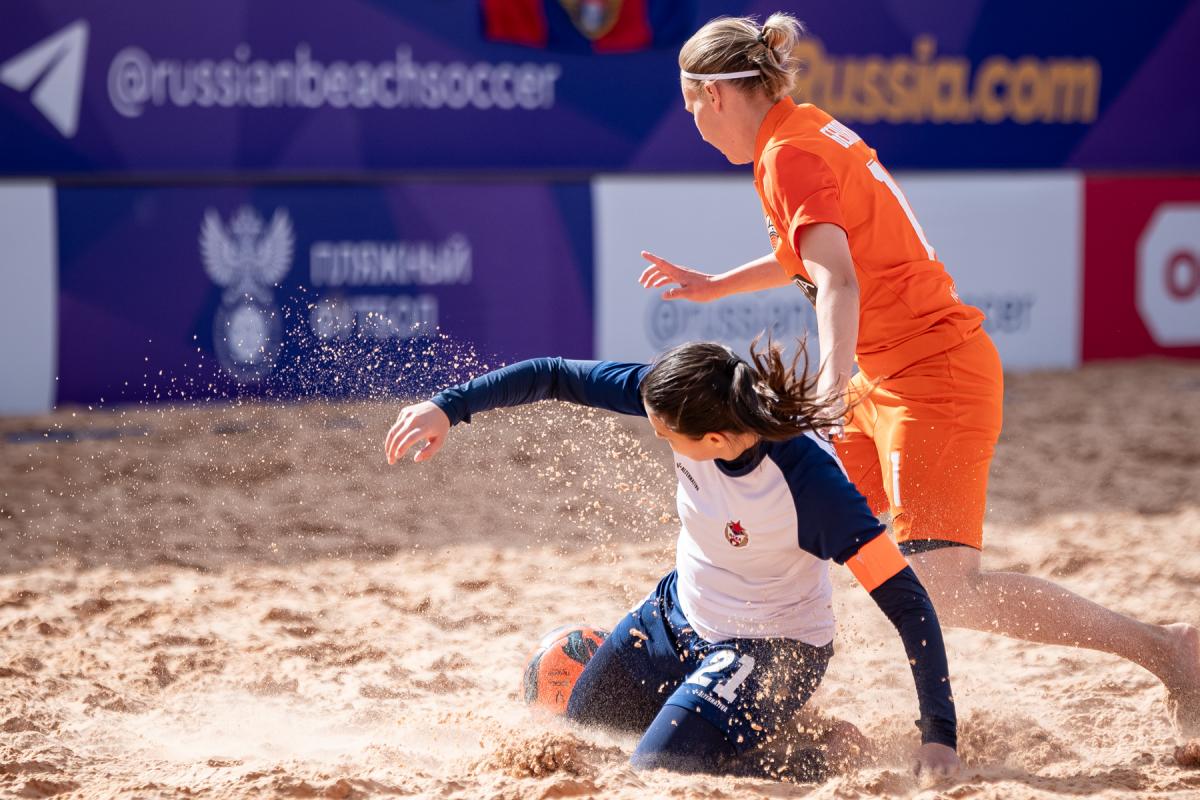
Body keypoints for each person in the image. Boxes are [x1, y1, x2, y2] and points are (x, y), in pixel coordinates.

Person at [637, 12, 1200, 736]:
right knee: (804, 520)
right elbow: (815, 252)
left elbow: (837, 281)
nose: (696, 126)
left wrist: (829, 385)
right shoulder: (796, 132)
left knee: (944, 587)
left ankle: (1168, 652)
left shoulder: (788, 153)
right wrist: (717, 285)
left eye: (692, 108)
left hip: (933, 375)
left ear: (715, 95)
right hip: (885, 377)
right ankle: (740, 682)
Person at [384, 339, 960, 779]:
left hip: (769, 650)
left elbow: (907, 601)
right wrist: (447, 407)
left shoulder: (811, 487)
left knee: (657, 772)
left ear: (714, 440)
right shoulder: (687, 393)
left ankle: (824, 751)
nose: (658, 434)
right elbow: (554, 374)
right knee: (583, 734)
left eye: (666, 434)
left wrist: (939, 734)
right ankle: (710, 717)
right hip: (673, 615)